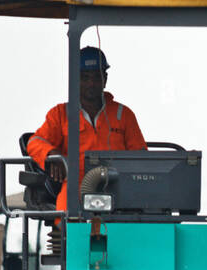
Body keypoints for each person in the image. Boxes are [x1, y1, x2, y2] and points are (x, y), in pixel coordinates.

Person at [26, 46, 147, 215]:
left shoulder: (123, 114)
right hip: (75, 185)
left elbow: (141, 156)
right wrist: (51, 154)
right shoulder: (61, 114)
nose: (91, 83)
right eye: (85, 77)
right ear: (75, 79)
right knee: (65, 220)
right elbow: (34, 141)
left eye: (97, 77)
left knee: (142, 217)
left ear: (105, 79)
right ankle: (66, 239)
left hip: (118, 188)